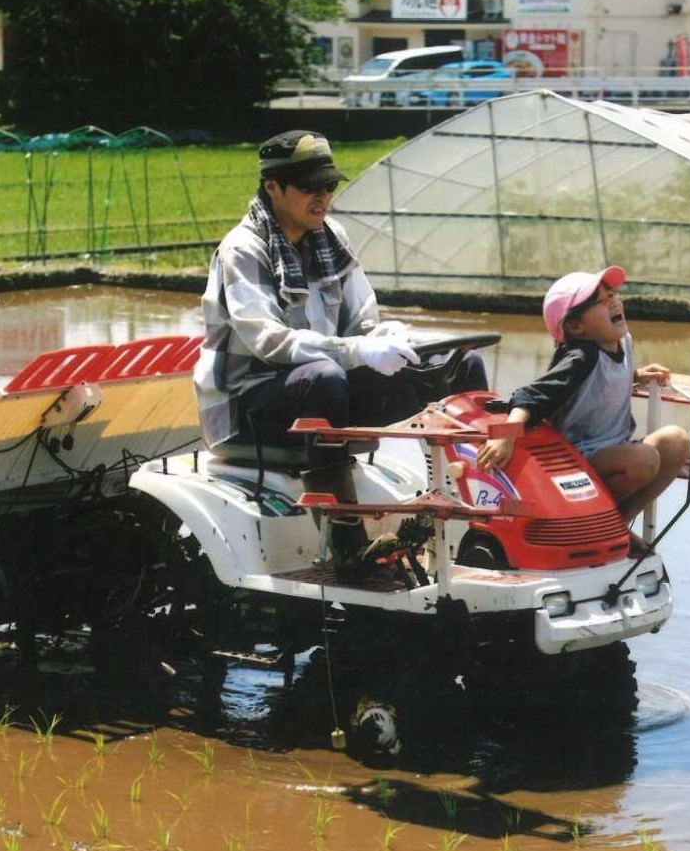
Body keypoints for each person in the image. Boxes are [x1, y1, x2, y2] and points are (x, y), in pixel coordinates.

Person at [193, 129, 487, 570]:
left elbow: (362, 324)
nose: (323, 197)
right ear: (273, 187)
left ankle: (473, 516)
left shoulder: (331, 238)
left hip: (318, 388)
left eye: (329, 185)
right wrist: (360, 351)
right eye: (311, 187)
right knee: (324, 377)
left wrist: (387, 337)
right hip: (247, 408)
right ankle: (348, 546)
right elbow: (269, 342)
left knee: (458, 363)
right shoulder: (244, 249)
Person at [475, 267, 690, 542]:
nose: (613, 302)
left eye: (612, 294)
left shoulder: (622, 341)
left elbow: (603, 383)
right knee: (645, 460)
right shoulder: (581, 357)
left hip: (615, 447)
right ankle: (603, 523)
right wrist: (504, 438)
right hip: (577, 459)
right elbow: (531, 395)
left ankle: (617, 523)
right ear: (576, 327)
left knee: (676, 440)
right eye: (601, 301)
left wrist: (634, 377)